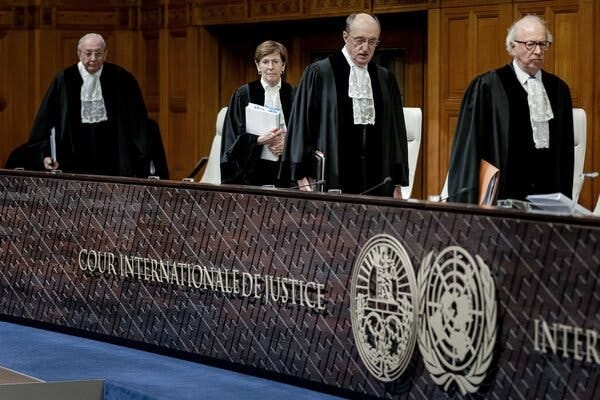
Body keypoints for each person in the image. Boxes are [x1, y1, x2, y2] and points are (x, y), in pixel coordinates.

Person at [447, 15, 574, 204]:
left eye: (543, 44)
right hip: (502, 198)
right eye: (530, 44)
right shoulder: (488, 86)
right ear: (513, 46)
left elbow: (565, 156)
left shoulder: (559, 90)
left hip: (547, 199)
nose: (538, 51)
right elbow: (469, 148)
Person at [281, 13, 408, 197]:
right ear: (345, 37)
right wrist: (300, 175)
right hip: (332, 179)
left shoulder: (384, 78)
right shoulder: (320, 73)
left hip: (379, 181)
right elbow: (301, 125)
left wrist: (397, 183)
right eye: (360, 40)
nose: (365, 48)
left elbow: (396, 134)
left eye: (372, 42)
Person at [24, 33, 156, 177]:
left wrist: (137, 157)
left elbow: (138, 124)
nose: (93, 58)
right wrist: (46, 154)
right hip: (72, 162)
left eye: (98, 54)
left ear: (105, 54)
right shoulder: (64, 79)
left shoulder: (122, 79)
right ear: (79, 54)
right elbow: (45, 122)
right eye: (88, 53)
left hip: (114, 164)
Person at [220, 40, 296, 187]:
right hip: (252, 174)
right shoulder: (243, 94)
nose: (270, 67)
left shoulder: (295, 94)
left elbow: (306, 134)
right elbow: (232, 140)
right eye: (265, 62)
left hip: (285, 173)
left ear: (283, 66)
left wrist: (287, 145)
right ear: (258, 66)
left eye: (275, 61)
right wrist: (258, 140)